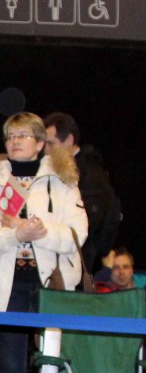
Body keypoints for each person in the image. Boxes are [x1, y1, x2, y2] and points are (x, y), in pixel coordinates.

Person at [0, 112, 88, 373]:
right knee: (10, 371)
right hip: (7, 288)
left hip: (53, 285)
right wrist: (15, 235)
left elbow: (77, 234)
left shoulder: (63, 180)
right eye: (10, 136)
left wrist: (40, 232)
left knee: (53, 368)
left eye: (23, 136)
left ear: (40, 143)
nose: (15, 141)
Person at [44, 112, 120, 272]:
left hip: (78, 261)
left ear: (69, 140)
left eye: (50, 144)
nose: (46, 150)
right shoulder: (52, 170)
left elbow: (91, 223)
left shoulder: (90, 174)